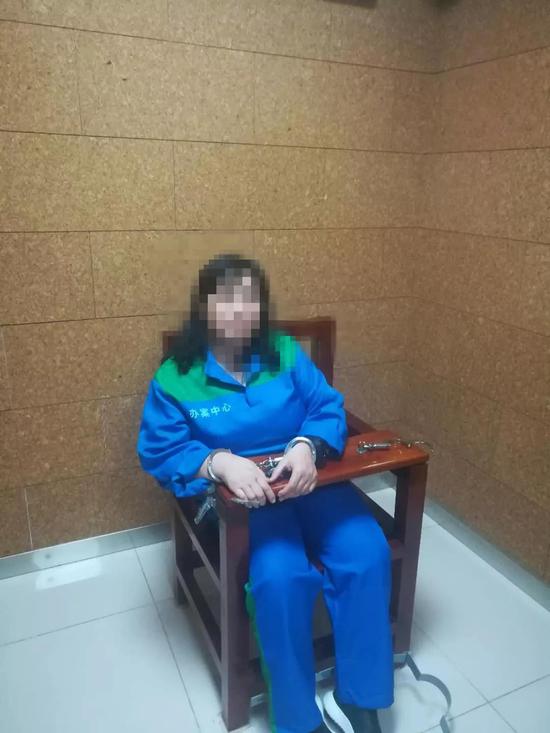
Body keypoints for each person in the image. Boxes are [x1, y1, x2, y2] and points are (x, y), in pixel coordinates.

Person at [136, 253, 394, 733]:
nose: (240, 309)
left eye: (250, 298)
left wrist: (307, 445)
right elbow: (160, 450)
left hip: (308, 479)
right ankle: (297, 718)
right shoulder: (176, 375)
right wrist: (218, 462)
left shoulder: (284, 352)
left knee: (366, 553)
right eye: (226, 298)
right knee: (279, 578)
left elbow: (326, 407)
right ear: (203, 306)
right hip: (243, 499)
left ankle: (359, 698)